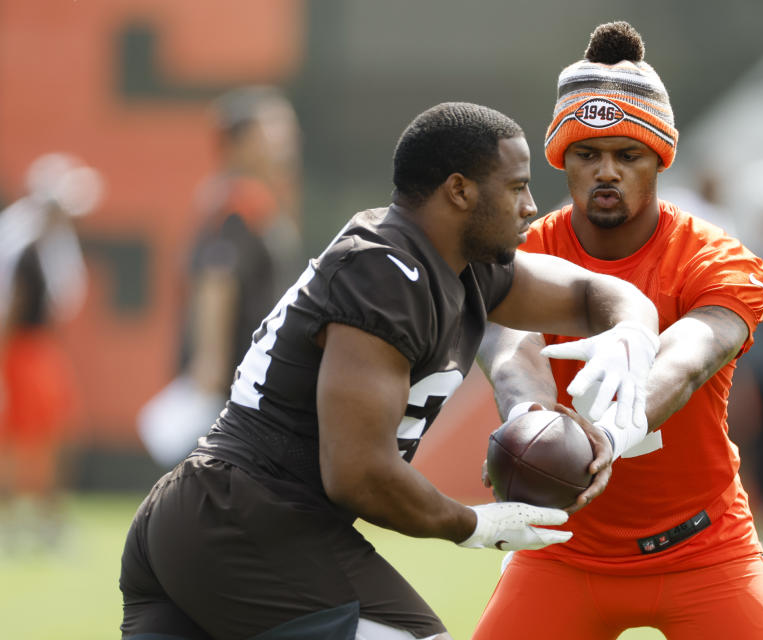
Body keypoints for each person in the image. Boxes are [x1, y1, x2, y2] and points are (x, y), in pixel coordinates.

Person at [119, 101, 661, 639]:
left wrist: (630, 333)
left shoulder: (454, 267)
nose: (530, 206)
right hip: (246, 519)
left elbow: (595, 293)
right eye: (517, 186)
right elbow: (357, 471)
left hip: (215, 519)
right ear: (460, 190)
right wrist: (473, 524)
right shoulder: (384, 273)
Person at [473, 23, 763, 639]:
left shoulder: (716, 257)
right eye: (587, 154)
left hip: (702, 547)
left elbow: (692, 354)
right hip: (564, 550)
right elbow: (511, 346)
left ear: (659, 159)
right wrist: (528, 420)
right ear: (560, 160)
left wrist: (615, 426)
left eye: (627, 155)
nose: (606, 172)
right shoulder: (526, 251)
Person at [138, 86, 304, 468]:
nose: (288, 141)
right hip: (233, 377)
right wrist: (210, 366)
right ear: (240, 142)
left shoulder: (249, 199)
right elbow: (216, 281)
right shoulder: (237, 203)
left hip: (245, 374)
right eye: (274, 131)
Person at [0, 152, 101, 551]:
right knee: (20, 438)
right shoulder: (22, 243)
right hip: (22, 350)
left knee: (54, 436)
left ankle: (45, 521)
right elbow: (12, 306)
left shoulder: (46, 241)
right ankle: (23, 522)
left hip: (39, 348)